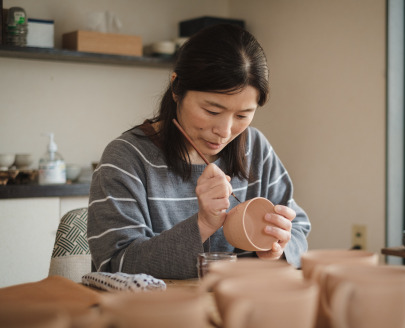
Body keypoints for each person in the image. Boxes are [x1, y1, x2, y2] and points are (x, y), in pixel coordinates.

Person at [87, 24, 311, 279]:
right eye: (212, 111)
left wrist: (278, 249)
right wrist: (202, 225)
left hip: (239, 310)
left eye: (242, 115)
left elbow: (299, 229)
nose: (224, 131)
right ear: (176, 87)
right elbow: (115, 265)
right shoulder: (127, 159)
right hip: (156, 314)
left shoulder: (255, 149)